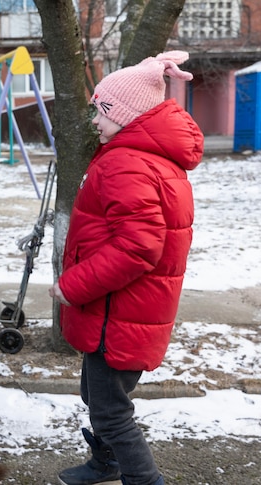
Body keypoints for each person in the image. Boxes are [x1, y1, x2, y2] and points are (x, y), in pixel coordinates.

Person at [49, 51, 203, 485]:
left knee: (111, 411)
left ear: (127, 113)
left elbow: (138, 248)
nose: (95, 120)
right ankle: (106, 463)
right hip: (124, 310)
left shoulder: (127, 161)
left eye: (102, 110)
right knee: (97, 394)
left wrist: (71, 286)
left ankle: (141, 478)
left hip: (118, 313)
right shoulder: (143, 154)